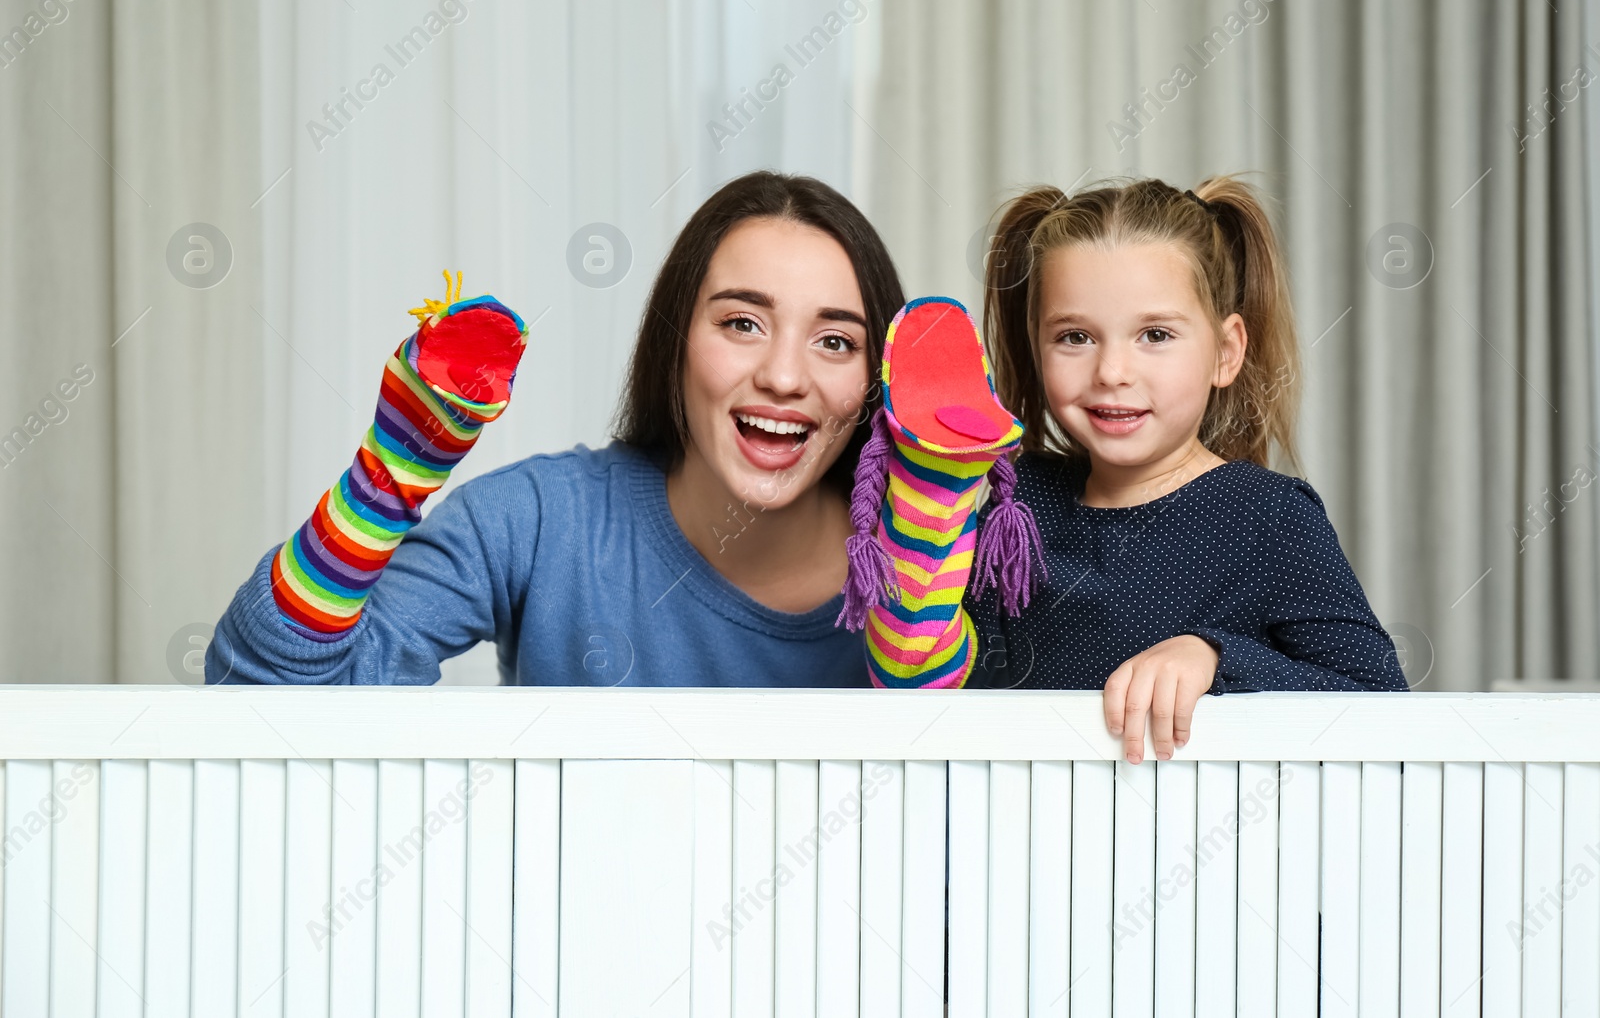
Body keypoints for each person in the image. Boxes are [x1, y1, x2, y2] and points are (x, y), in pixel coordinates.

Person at [206, 171, 906, 686]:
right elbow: (261, 694)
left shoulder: (934, 562)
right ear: (676, 340)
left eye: (836, 341)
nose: (784, 376)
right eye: (741, 323)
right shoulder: (541, 521)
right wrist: (389, 474)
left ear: (880, 376)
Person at [841, 177, 1408, 763]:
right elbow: (938, 690)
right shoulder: (1022, 508)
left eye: (1155, 335)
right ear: (1035, 349)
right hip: (1030, 837)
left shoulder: (1269, 517)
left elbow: (1378, 701)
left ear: (1225, 351)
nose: (1112, 370)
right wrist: (932, 510)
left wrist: (1215, 658)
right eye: (1075, 337)